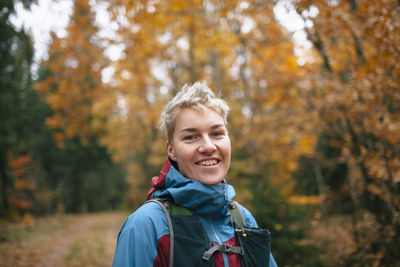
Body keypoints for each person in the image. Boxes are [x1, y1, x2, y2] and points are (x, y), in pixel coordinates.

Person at [112, 81, 278, 267]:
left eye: (217, 133)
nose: (208, 146)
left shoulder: (243, 219)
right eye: (191, 137)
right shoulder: (147, 224)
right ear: (172, 149)